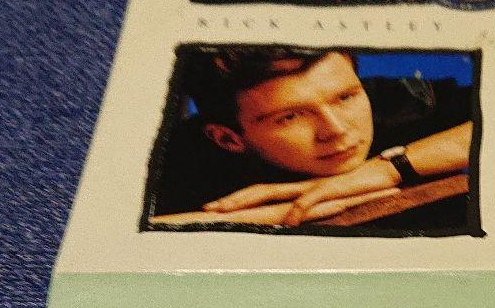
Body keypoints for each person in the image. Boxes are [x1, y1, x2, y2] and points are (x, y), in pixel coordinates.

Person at [147, 47, 474, 228]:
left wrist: (389, 168)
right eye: (290, 116)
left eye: (345, 97)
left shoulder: (398, 101)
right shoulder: (174, 162)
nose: (337, 129)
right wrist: (268, 216)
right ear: (227, 139)